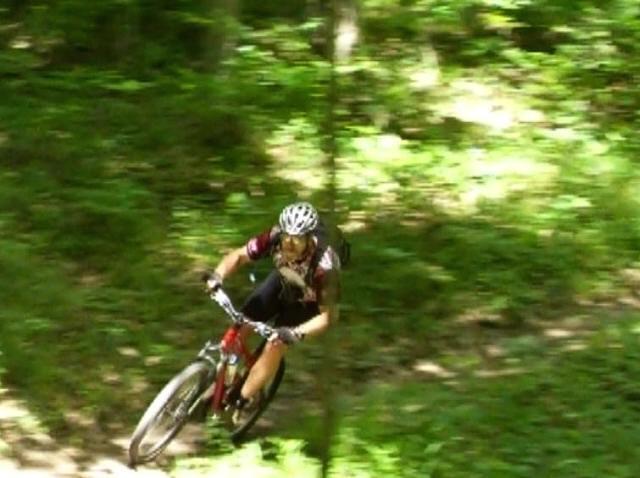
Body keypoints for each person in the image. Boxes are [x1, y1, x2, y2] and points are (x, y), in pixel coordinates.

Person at [204, 201, 341, 422]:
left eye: (297, 238)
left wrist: (295, 333)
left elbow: (329, 315)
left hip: (308, 303)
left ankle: (241, 399)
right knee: (241, 325)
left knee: (275, 344)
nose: (289, 242)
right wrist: (217, 275)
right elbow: (239, 256)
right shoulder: (275, 236)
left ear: (309, 238)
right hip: (283, 282)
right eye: (287, 235)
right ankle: (220, 381)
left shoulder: (324, 267)